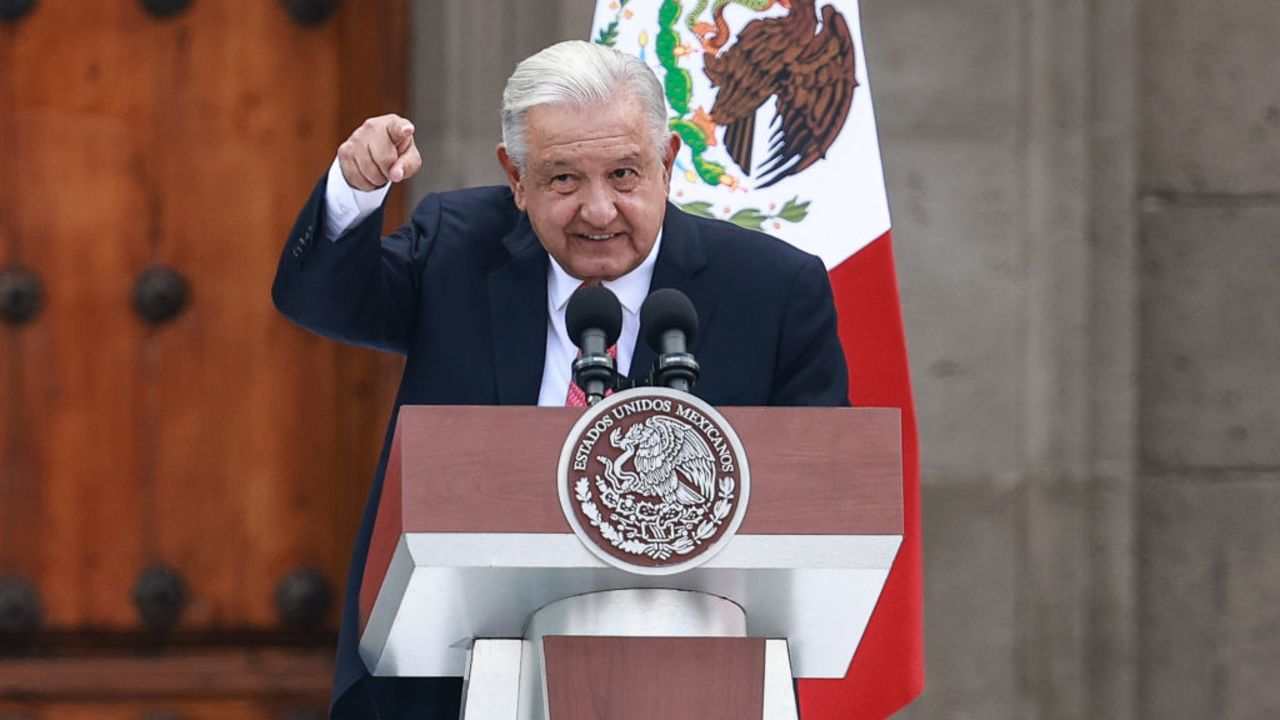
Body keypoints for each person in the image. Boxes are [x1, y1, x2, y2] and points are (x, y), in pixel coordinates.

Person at [272, 40, 849, 720]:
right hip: (443, 687)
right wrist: (355, 190)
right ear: (515, 179)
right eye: (563, 179)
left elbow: (825, 507)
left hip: (688, 685)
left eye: (625, 174)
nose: (598, 210)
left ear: (667, 164)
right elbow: (320, 300)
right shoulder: (458, 248)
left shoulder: (773, 290)